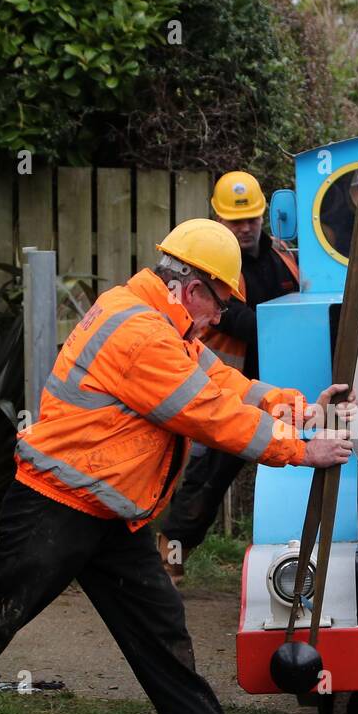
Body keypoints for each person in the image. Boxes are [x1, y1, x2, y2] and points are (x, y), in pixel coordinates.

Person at [0, 218, 355, 714]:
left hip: (112, 510)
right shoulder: (142, 334)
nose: (222, 317)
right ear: (191, 289)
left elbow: (224, 384)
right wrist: (302, 450)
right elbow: (210, 416)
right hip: (58, 503)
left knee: (160, 629)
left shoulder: (160, 320)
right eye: (220, 302)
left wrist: (297, 407)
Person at [155, 171, 300, 582]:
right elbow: (238, 321)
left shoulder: (283, 257)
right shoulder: (213, 269)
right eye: (237, 221)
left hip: (280, 388)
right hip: (226, 389)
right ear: (219, 220)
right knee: (205, 481)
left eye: (253, 218)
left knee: (299, 470)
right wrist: (292, 323)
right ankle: (169, 562)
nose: (246, 227)